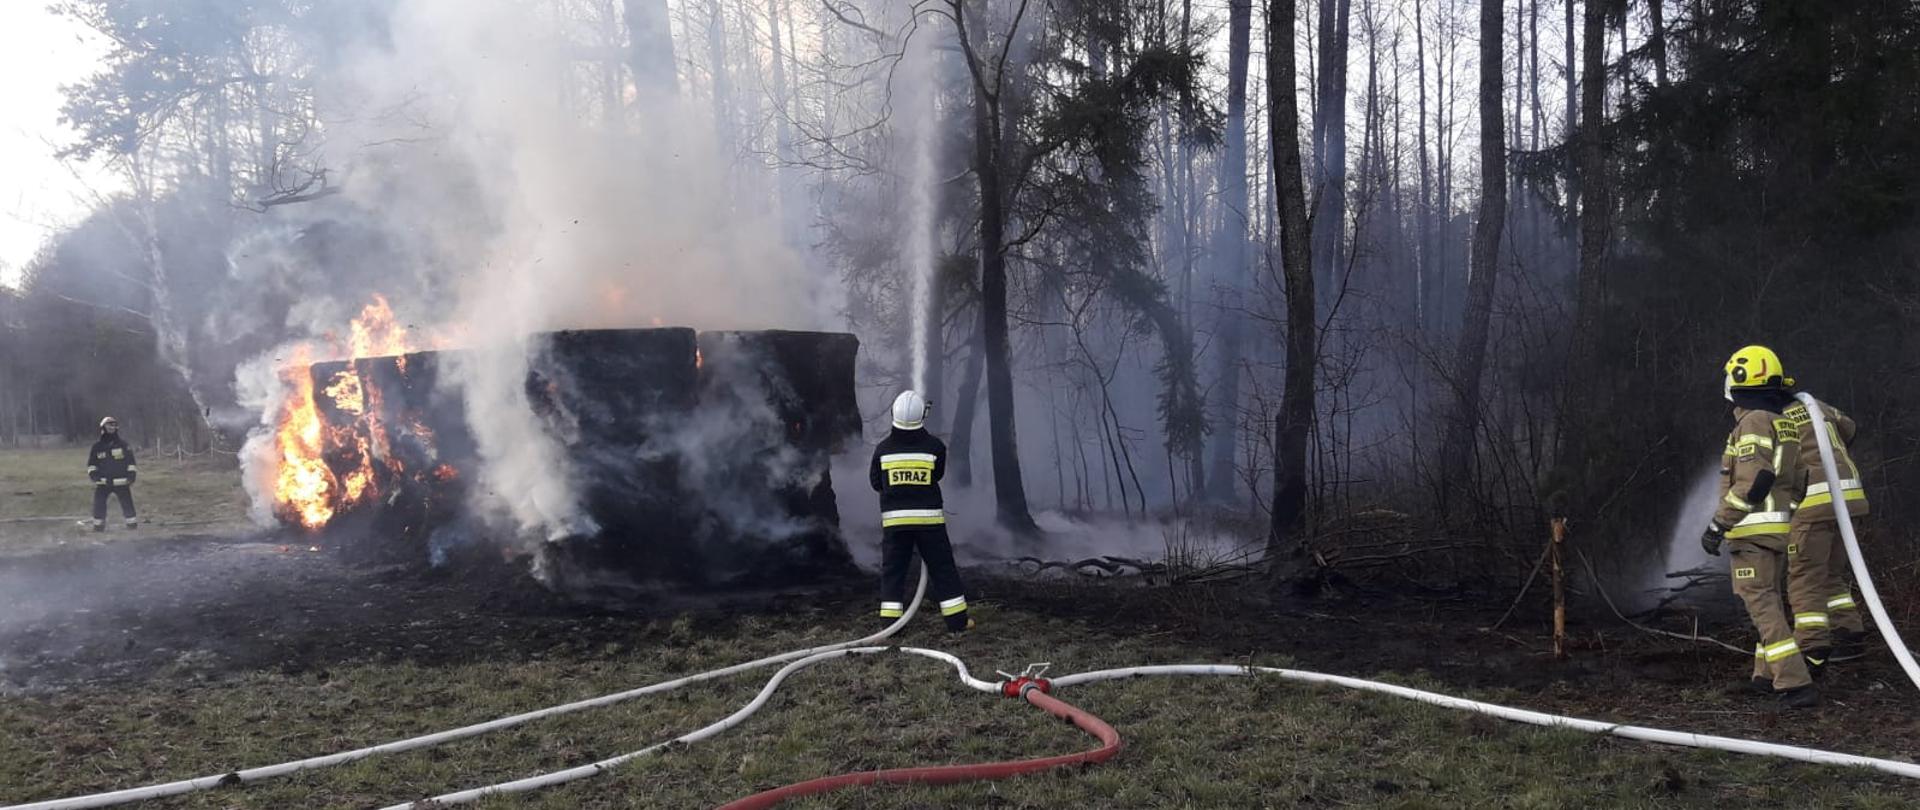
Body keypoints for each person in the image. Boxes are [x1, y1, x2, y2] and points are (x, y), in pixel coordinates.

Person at [1699, 346, 1816, 708]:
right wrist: (1784, 517)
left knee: (1763, 608)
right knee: (1770, 605)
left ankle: (1795, 685)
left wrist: (1718, 525)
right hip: (1774, 533)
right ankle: (1764, 677)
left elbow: (1750, 483)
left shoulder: (1751, 423)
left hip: (1750, 533)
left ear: (1741, 380)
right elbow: (1799, 481)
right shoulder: (1786, 423)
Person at [869, 390, 972, 632]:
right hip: (929, 524)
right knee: (943, 569)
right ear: (922, 416)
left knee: (893, 571)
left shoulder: (882, 450)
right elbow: (938, 475)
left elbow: (876, 483)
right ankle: (957, 623)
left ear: (894, 414)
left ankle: (891, 624)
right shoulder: (935, 447)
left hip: (895, 525)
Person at [1782, 390, 1871, 669]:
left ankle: (1812, 648)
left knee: (1805, 577)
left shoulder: (1769, 416)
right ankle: (1849, 635)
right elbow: (1851, 428)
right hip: (1849, 499)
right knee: (1831, 573)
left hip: (1815, 503)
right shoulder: (1817, 406)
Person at [87, 416, 139, 532]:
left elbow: (131, 462)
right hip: (103, 482)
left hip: (121, 482)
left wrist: (131, 475)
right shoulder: (97, 447)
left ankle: (132, 526)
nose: (112, 427)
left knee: (127, 504)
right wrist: (94, 475)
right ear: (103, 427)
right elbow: (91, 464)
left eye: (114, 425)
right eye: (109, 425)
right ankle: (98, 526)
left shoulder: (123, 445)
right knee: (99, 505)